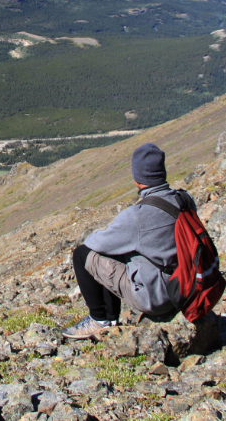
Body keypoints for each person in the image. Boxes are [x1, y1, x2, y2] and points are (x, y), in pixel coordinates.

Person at [61, 142, 193, 340]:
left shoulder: (137, 216)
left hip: (156, 297)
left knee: (82, 254)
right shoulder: (184, 199)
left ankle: (99, 319)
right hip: (188, 286)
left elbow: (96, 244)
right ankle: (111, 319)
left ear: (138, 179)